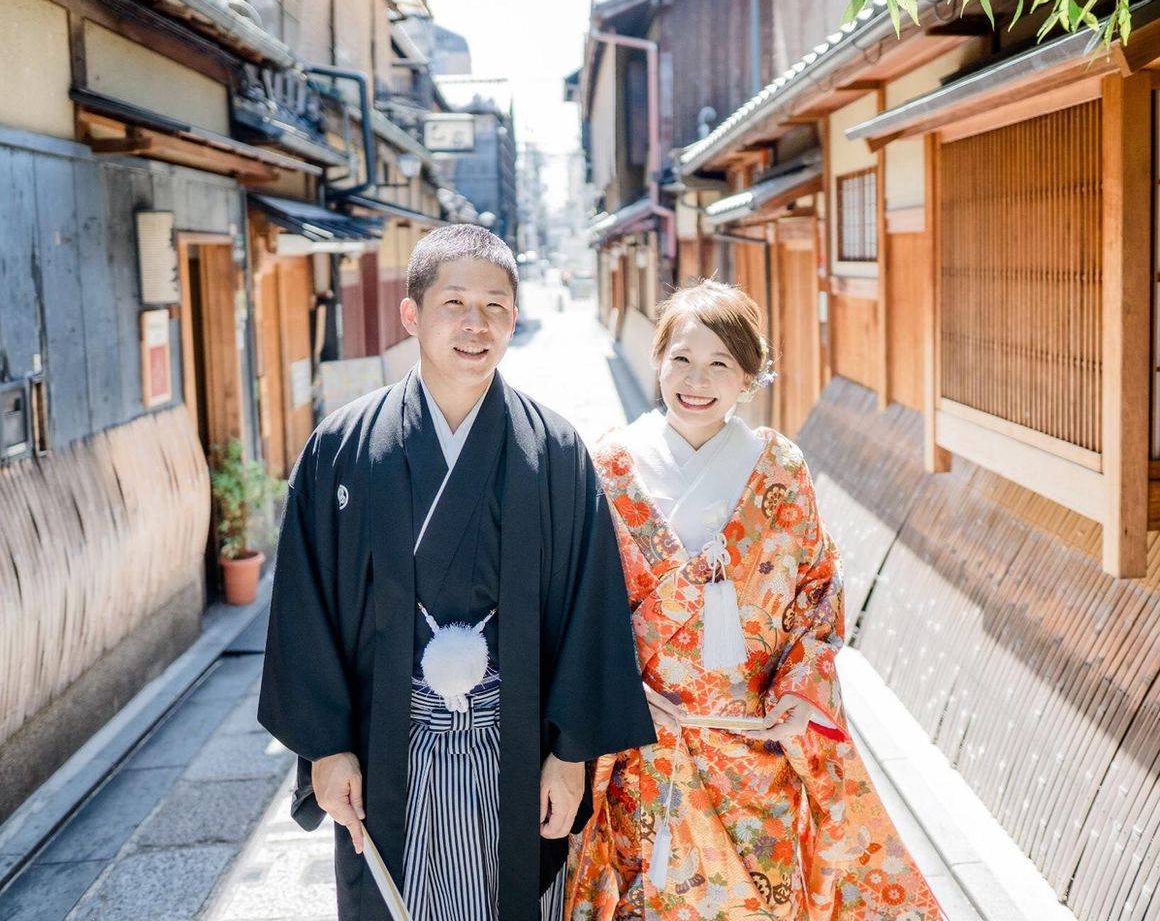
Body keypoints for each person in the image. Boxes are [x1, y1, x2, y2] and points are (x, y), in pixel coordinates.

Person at [259, 224, 654, 921]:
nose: (477, 325)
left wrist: (569, 758)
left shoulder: (556, 451)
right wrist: (326, 748)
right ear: (411, 313)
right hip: (385, 750)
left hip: (517, 747)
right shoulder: (341, 449)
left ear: (515, 318)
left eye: (496, 307)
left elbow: (590, 606)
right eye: (455, 304)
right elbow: (303, 609)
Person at [567, 281, 942, 920]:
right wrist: (617, 686)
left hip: (756, 745)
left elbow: (817, 587)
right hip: (646, 742)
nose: (697, 380)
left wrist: (800, 692)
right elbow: (577, 600)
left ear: (749, 376)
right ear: (657, 359)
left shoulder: (779, 467)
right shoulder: (609, 465)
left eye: (721, 363)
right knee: (646, 897)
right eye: (682, 358)